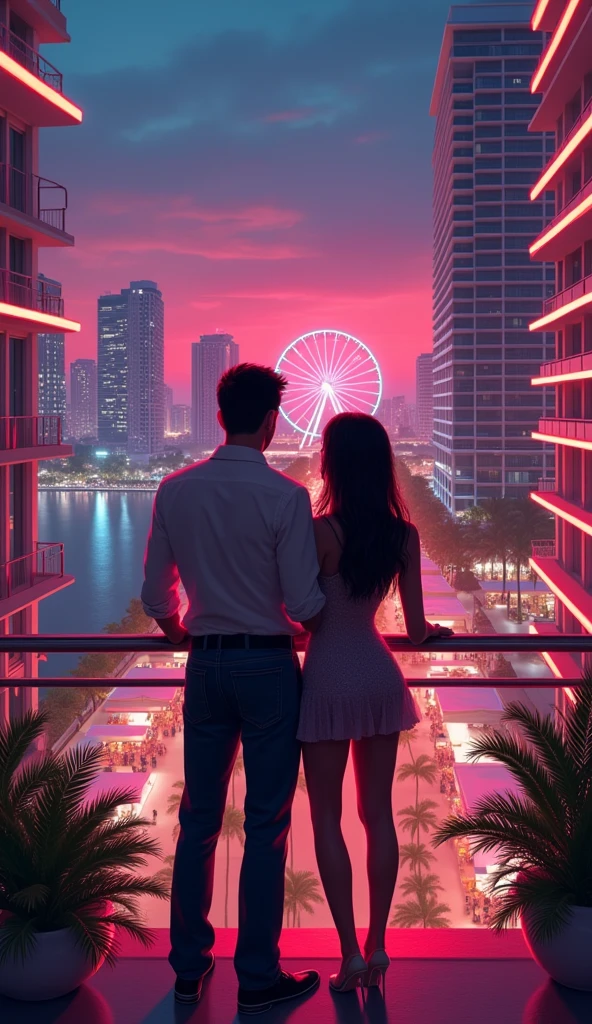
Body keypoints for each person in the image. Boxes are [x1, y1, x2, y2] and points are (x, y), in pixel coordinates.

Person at [141, 363, 326, 1012]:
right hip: (270, 668)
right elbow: (305, 603)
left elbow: (154, 597)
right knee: (266, 824)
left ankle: (189, 969)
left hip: (206, 664)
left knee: (198, 820)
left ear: (219, 416)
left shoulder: (175, 490)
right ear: (271, 422)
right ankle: (256, 977)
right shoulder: (285, 498)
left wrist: (180, 632)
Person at [298, 412, 452, 993]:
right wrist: (435, 629)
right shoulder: (402, 535)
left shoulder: (320, 532)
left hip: (329, 677)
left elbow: (304, 613)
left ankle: (348, 956)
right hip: (380, 676)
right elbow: (413, 630)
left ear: (331, 463)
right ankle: (379, 944)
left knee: (327, 820)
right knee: (379, 815)